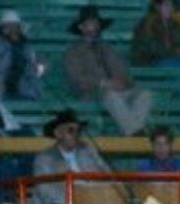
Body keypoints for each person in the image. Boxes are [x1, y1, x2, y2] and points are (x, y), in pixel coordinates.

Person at [64, 6, 152, 136]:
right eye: (89, 24)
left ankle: (132, 131)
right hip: (92, 94)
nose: (93, 27)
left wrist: (122, 82)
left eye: (95, 23)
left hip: (117, 91)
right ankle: (136, 135)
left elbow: (123, 70)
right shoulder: (73, 52)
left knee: (145, 95)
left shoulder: (108, 48)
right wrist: (104, 83)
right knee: (110, 95)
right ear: (81, 28)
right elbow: (76, 78)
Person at [0, 10, 43, 101]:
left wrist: (38, 68)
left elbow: (31, 72)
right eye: (9, 26)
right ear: (1, 28)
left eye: (16, 26)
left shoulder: (25, 47)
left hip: (22, 90)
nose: (13, 30)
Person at [131, 0, 180, 67]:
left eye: (172, 5)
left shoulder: (175, 25)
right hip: (152, 64)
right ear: (157, 7)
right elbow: (149, 50)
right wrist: (172, 52)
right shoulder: (145, 25)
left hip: (175, 61)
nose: (171, 8)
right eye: (167, 5)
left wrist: (178, 52)